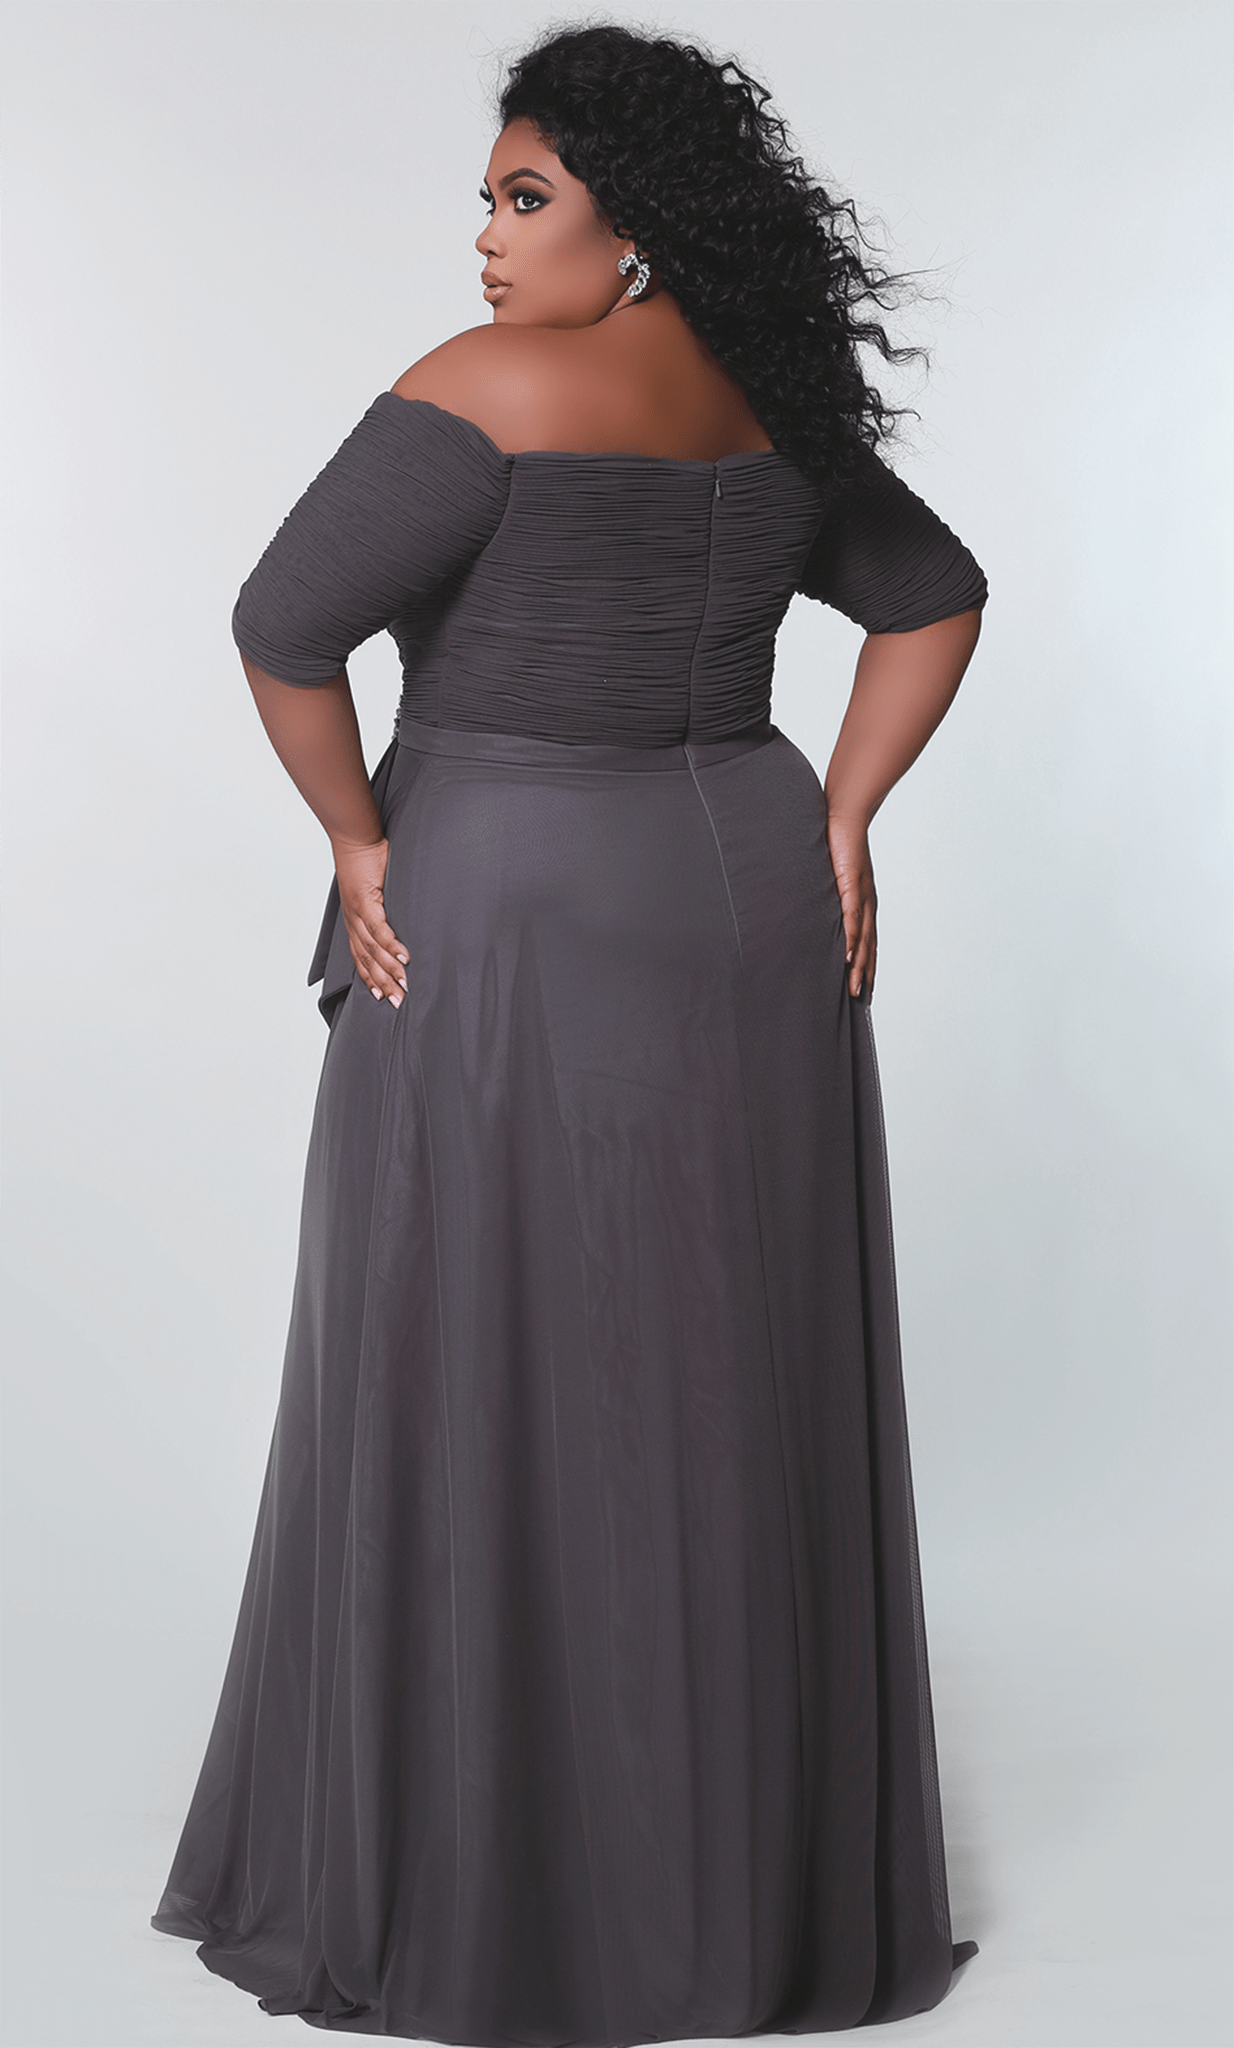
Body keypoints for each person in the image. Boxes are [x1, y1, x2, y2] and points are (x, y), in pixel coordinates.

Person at [152, 22, 988, 2042]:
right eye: (488, 199)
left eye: (525, 197)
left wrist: (359, 841)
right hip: (744, 901)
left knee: (471, 1349)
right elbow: (933, 593)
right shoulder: (769, 398)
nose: (486, 237)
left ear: (635, 229)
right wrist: (843, 816)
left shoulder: (483, 388)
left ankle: (495, 1875)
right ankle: (722, 1885)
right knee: (716, 1364)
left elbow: (279, 624)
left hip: (505, 907)